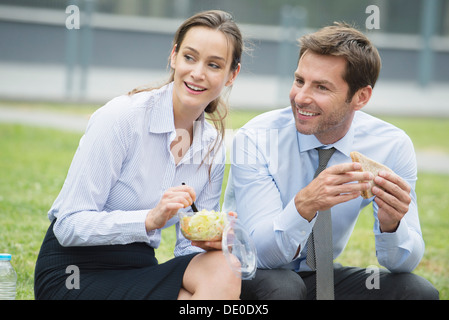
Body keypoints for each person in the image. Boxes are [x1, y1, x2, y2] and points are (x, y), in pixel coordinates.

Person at [34, 10, 242, 300]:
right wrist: (149, 219)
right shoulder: (121, 118)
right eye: (189, 57)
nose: (198, 73)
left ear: (232, 74)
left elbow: (187, 249)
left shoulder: (212, 147)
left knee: (224, 266)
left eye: (214, 65)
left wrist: (212, 239)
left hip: (138, 268)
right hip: (74, 272)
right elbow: (68, 225)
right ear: (174, 56)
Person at [224, 22, 439, 300]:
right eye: (299, 80)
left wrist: (392, 226)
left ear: (360, 97)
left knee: (416, 292)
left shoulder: (391, 146)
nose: (301, 97)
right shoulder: (256, 138)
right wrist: (305, 205)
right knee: (285, 288)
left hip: (322, 277)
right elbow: (262, 255)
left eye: (321, 87)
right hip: (253, 273)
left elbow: (404, 264)